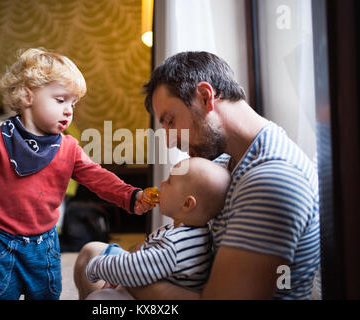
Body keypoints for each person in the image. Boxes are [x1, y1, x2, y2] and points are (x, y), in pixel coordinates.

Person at [74, 51, 320, 300]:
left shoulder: (271, 178)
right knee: (91, 253)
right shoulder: (226, 161)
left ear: (205, 97)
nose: (169, 141)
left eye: (170, 121)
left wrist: (131, 273)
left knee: (98, 279)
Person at [0, 48, 151, 300]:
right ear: (28, 96)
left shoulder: (69, 148)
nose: (69, 110)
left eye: (73, 103)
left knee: (47, 295)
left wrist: (130, 195)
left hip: (44, 244)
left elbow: (98, 177)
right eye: (60, 100)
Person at [83, 157, 231, 297]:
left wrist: (97, 266)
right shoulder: (190, 233)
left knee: (98, 298)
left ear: (187, 204)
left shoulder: (176, 245)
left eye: (169, 182)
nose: (161, 184)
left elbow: (135, 268)